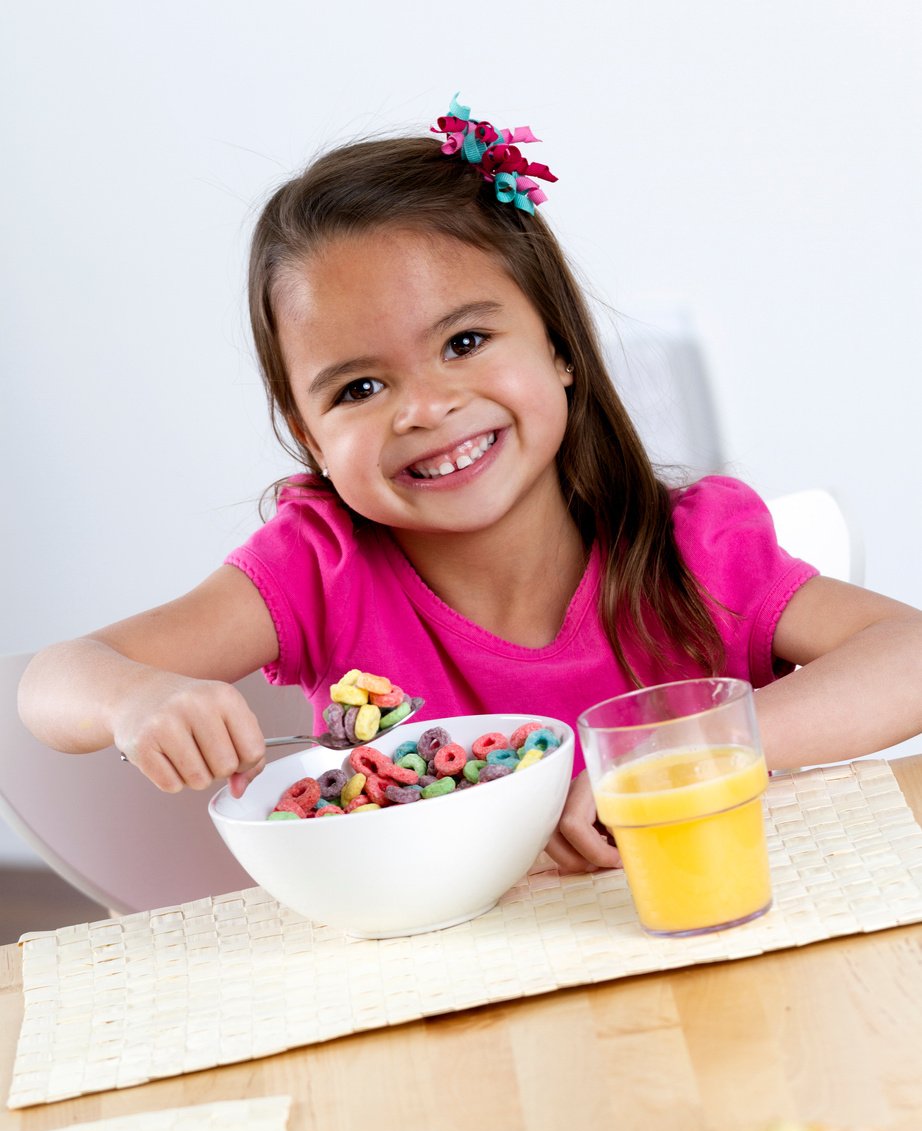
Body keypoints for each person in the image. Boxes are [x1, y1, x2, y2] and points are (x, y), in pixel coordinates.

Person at [17, 95, 922, 875]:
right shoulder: (318, 571)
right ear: (309, 437)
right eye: (360, 388)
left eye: (463, 342)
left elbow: (907, 654)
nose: (427, 408)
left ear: (561, 347)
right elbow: (53, 682)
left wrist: (674, 754)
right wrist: (135, 699)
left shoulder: (693, 553)